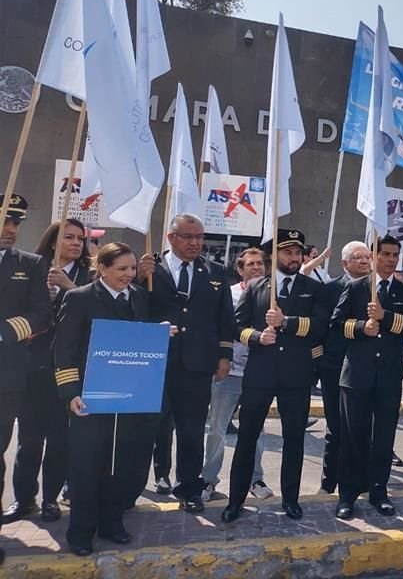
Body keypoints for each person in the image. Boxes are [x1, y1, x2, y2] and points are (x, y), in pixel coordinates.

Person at [54, 242, 173, 556]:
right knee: (86, 467)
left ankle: (111, 523)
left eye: (132, 269)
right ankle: (80, 532)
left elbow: (139, 341)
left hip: (129, 398)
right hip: (91, 399)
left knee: (120, 467)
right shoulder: (78, 298)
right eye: (121, 269)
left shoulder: (140, 297)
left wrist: (160, 333)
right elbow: (64, 351)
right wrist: (70, 394)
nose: (128, 275)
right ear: (102, 268)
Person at [221, 230, 328, 523]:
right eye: (287, 252)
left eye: (297, 253)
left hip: (296, 374)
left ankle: (291, 499)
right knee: (247, 438)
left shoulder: (312, 288)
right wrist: (256, 336)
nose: (293, 258)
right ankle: (236, 500)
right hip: (260, 374)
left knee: (294, 439)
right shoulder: (256, 287)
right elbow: (236, 326)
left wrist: (287, 323)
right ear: (274, 256)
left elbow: (320, 327)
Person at [137, 213, 235, 513]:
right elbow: (134, 306)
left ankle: (189, 488)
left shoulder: (215, 271)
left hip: (197, 364)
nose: (195, 243)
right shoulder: (150, 268)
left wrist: (224, 355)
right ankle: (132, 487)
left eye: (199, 237)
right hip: (154, 361)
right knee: (147, 428)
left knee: (191, 430)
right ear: (171, 238)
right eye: (188, 237)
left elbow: (224, 318)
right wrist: (140, 277)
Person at [4, 219, 90, 525]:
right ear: (53, 241)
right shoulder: (31, 268)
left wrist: (70, 289)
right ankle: (24, 499)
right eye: (69, 237)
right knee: (29, 439)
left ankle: (51, 499)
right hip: (31, 366)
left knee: (59, 439)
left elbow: (98, 312)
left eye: (81, 238)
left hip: (66, 371)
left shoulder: (88, 277)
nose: (76, 243)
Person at [332, 235, 403, 519]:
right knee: (353, 436)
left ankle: (379, 490)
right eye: (385, 254)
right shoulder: (357, 287)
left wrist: (385, 316)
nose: (391, 260)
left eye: (395, 255)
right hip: (357, 375)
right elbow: (336, 323)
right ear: (374, 256)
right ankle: (347, 494)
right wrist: (360, 327)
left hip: (388, 376)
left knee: (383, 437)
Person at [0, 194, 51, 565]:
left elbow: (39, 314)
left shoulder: (30, 264)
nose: (10, 230)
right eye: (5, 221)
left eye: (15, 223)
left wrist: (3, 331)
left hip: (6, 373)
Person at [201, 247, 273, 503]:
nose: (257, 267)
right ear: (240, 270)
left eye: (261, 264)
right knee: (217, 429)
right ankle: (208, 480)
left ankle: (254, 479)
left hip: (258, 374)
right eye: (251, 264)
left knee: (256, 431)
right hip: (229, 373)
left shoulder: (273, 294)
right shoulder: (227, 295)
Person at [316, 241, 372, 494]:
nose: (364, 261)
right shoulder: (329, 289)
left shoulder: (376, 290)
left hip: (367, 368)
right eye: (357, 257)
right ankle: (329, 482)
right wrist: (320, 362)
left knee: (362, 428)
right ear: (344, 263)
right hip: (335, 367)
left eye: (367, 257)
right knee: (336, 429)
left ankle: (360, 481)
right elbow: (322, 329)